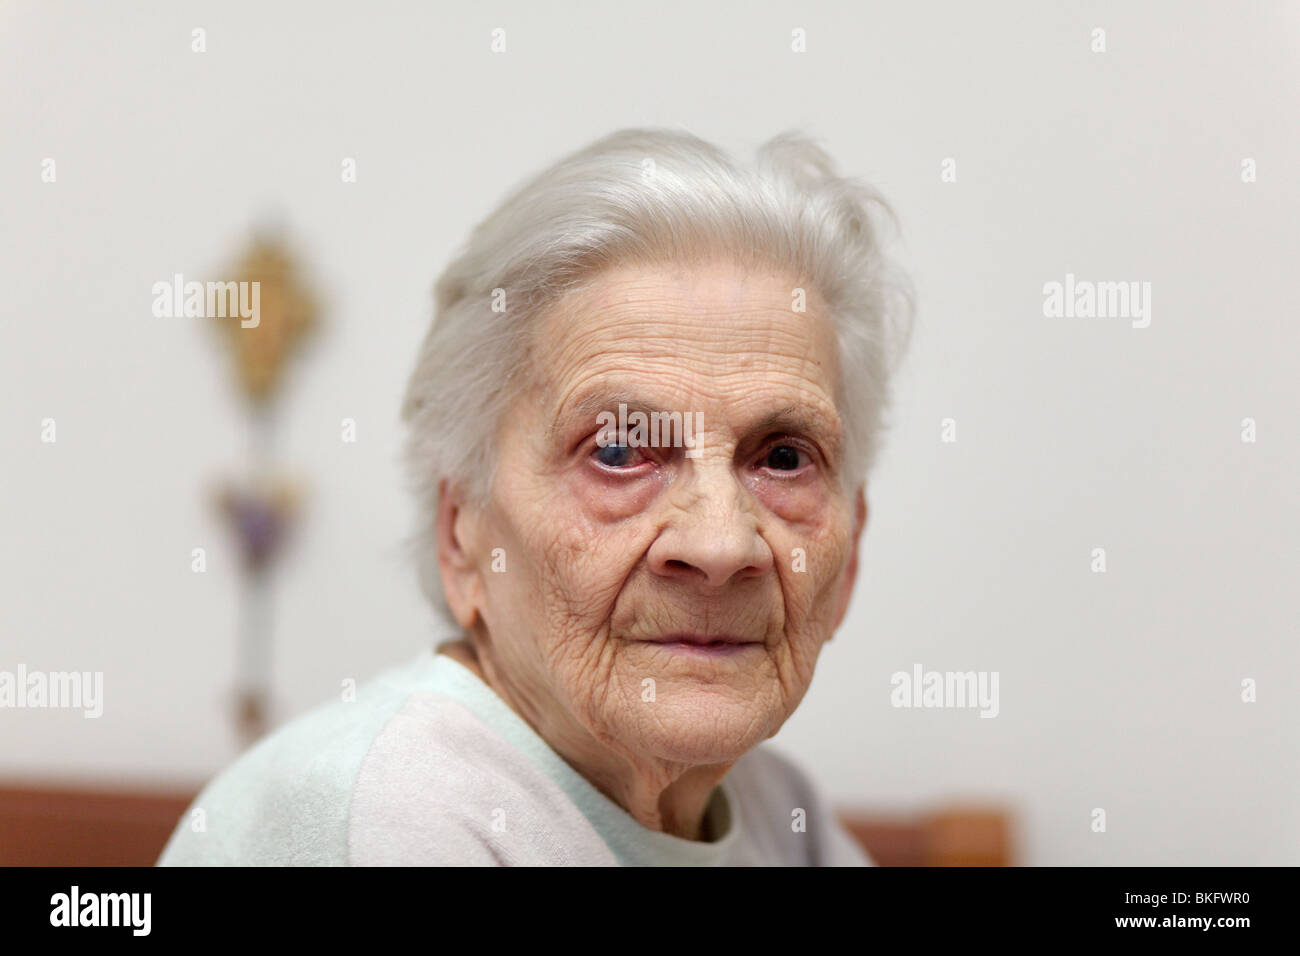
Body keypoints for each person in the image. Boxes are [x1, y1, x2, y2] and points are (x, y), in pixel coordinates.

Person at [159, 127, 912, 866]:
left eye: (783, 458)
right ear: (462, 538)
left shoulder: (777, 814)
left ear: (850, 561)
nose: (720, 544)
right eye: (617, 452)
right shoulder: (389, 816)